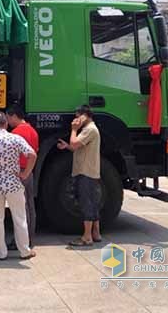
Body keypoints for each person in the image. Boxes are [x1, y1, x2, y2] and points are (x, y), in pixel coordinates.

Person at [0, 112, 37, 260]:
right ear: (5, 123)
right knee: (19, 218)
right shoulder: (15, 139)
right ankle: (24, 250)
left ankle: (1, 253)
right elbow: (32, 155)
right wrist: (26, 173)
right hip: (13, 184)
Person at [57, 105, 102, 247]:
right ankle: (96, 233)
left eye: (78, 116)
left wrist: (74, 130)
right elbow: (76, 146)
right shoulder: (90, 130)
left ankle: (87, 237)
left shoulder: (89, 129)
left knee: (86, 203)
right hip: (90, 171)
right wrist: (67, 146)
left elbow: (74, 143)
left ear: (86, 115)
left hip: (85, 171)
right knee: (93, 203)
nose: (76, 120)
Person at [6, 104, 39, 249]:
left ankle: (21, 241)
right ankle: (30, 239)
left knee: (20, 209)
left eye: (8, 118)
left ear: (13, 116)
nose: (8, 121)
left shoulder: (17, 133)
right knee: (30, 206)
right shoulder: (33, 131)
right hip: (29, 172)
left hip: (18, 172)